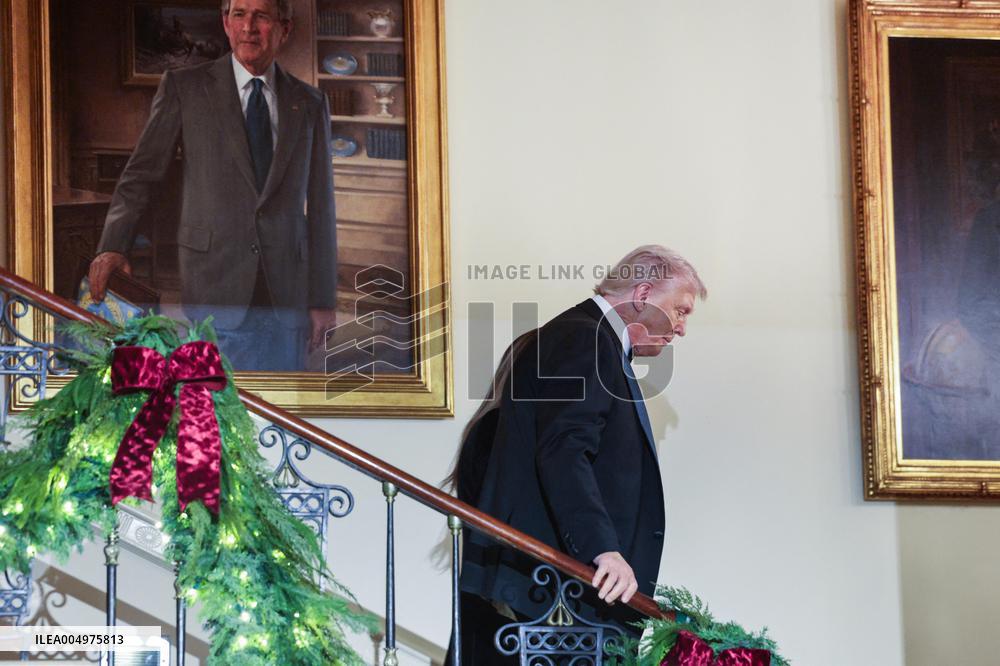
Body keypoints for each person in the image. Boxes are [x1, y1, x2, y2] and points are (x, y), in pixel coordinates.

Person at [446, 245, 707, 664]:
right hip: (553, 597)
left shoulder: (589, 338)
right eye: (681, 310)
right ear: (642, 295)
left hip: (563, 593)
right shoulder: (584, 338)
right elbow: (564, 450)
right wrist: (603, 550)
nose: (681, 328)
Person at [88, 0, 337, 371]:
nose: (249, 27)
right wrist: (112, 246)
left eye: (262, 17)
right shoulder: (184, 88)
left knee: (282, 417)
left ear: (285, 29)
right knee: (210, 411)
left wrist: (322, 298)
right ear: (225, 23)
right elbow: (141, 176)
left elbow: (321, 206)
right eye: (239, 14)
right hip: (213, 283)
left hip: (287, 292)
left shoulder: (311, 102)